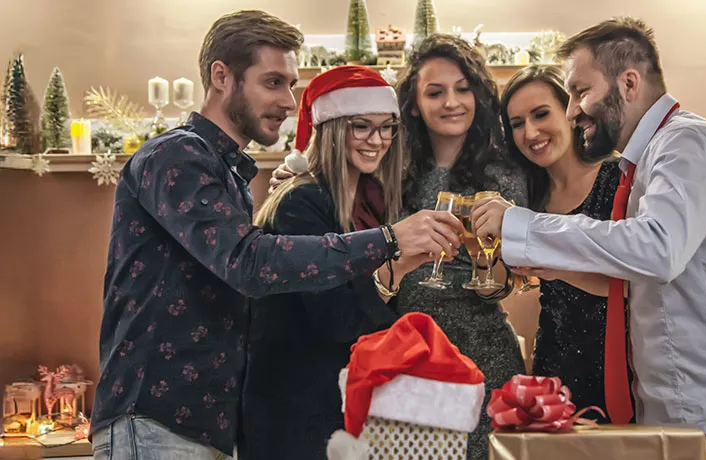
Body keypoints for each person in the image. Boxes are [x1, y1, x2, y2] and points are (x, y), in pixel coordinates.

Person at [90, 11, 462, 460]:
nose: (289, 102)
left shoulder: (226, 174)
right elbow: (250, 263)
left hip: (206, 424)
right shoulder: (177, 154)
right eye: (273, 83)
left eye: (291, 84)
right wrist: (389, 241)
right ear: (221, 77)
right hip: (156, 418)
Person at [473, 17, 706, 460]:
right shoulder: (649, 160)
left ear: (628, 83)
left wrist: (521, 224)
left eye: (580, 92)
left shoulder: (686, 143)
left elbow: (657, 249)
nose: (572, 111)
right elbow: (647, 277)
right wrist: (553, 266)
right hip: (691, 422)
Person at [270, 34, 526, 460]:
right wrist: (296, 173)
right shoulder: (390, 166)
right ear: (412, 105)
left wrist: (489, 273)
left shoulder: (504, 174)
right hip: (396, 345)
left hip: (480, 347)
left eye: (463, 89)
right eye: (435, 92)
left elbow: (509, 281)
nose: (452, 102)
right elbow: (338, 206)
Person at [241, 66, 432, 459]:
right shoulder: (299, 203)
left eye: (387, 127)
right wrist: (397, 266)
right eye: (361, 126)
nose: (377, 140)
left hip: (348, 410)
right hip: (297, 415)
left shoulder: (375, 199)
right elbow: (335, 320)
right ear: (331, 128)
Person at [498, 64, 625, 418]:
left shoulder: (618, 179)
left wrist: (557, 267)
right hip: (553, 369)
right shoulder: (529, 195)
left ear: (571, 113)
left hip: (621, 368)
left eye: (541, 114)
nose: (531, 132)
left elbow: (635, 285)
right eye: (517, 123)